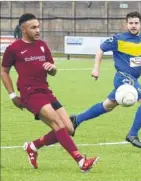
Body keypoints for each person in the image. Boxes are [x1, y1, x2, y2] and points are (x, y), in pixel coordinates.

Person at [1, 13, 98, 172]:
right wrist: (12, 95)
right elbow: (4, 71)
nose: (38, 30)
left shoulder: (42, 45)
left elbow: (52, 70)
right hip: (29, 93)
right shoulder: (14, 49)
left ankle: (33, 146)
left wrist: (52, 68)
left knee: (68, 129)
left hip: (45, 91)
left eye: (38, 26)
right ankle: (81, 162)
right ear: (23, 29)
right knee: (57, 124)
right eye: (33, 27)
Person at [70, 12, 141, 149]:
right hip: (122, 78)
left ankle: (77, 120)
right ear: (126, 24)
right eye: (130, 23)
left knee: (107, 106)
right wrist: (96, 69)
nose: (133, 26)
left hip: (134, 79)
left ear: (140, 24)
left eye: (136, 23)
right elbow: (100, 50)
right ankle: (132, 135)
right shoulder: (118, 39)